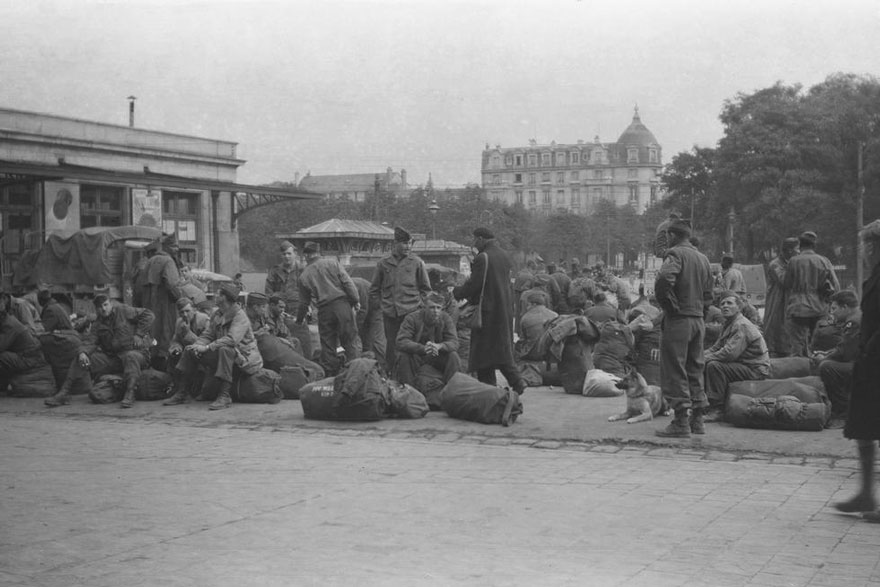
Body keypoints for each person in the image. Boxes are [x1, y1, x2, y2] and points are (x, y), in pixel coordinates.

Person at [835, 219, 880, 522]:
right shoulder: (874, 277)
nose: (863, 250)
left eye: (866, 244)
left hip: (876, 358)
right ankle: (866, 493)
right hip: (870, 361)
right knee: (865, 426)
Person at [653, 218, 713, 438]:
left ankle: (680, 422)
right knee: (695, 368)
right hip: (698, 320)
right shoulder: (703, 259)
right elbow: (709, 294)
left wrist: (670, 306)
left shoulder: (675, 254)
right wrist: (701, 314)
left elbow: (663, 280)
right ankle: (697, 420)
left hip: (679, 320)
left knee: (674, 369)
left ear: (671, 236)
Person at [44, 295, 154, 408]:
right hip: (115, 359)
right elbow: (90, 342)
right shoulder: (97, 325)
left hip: (138, 355)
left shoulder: (123, 311)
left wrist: (139, 334)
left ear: (110, 304)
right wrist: (83, 353)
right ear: (96, 309)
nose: (104, 309)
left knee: (130, 356)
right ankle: (64, 393)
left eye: (106, 305)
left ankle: (130, 393)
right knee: (81, 358)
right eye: (100, 307)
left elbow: (149, 315)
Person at [164, 283, 261, 410]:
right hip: (230, 357)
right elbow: (208, 334)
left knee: (225, 349)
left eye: (219, 294)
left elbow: (232, 339)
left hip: (246, 358)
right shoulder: (218, 314)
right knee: (190, 350)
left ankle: (225, 396)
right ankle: (182, 393)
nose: (216, 296)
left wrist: (207, 347)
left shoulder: (240, 315)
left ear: (225, 298)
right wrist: (197, 345)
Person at [453, 227, 526, 394]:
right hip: (504, 310)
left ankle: (490, 391)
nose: (474, 244)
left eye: (475, 240)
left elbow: (474, 285)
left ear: (481, 239)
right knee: (501, 349)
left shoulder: (482, 258)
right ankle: (517, 382)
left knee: (483, 354)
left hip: (487, 313)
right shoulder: (504, 255)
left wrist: (458, 292)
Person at [369, 226, 431, 377]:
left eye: (410, 244)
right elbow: (374, 290)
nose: (407, 247)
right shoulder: (383, 264)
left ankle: (413, 376)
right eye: (404, 243)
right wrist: (381, 306)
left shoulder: (416, 262)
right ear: (395, 244)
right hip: (391, 314)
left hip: (411, 312)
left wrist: (422, 308)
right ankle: (392, 376)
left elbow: (426, 289)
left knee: (412, 345)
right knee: (391, 346)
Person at [702, 291, 771, 421]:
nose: (725, 306)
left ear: (739, 307)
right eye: (722, 304)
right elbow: (716, 348)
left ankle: (717, 409)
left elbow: (729, 354)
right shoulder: (729, 323)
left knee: (714, 366)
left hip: (755, 369)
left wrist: (704, 359)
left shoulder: (741, 324)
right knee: (706, 362)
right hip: (744, 365)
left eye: (729, 303)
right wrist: (699, 357)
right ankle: (705, 404)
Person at [296, 241, 360, 376]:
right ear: (319, 253)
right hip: (342, 306)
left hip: (324, 311)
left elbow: (303, 304)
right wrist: (355, 301)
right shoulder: (333, 263)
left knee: (328, 347)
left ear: (306, 256)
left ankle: (330, 377)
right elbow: (348, 284)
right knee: (350, 343)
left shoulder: (303, 276)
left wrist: (299, 320)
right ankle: (355, 375)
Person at [784, 231, 839, 357]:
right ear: (814, 246)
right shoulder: (824, 261)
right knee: (819, 344)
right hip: (819, 308)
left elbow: (787, 284)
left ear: (800, 246)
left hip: (798, 308)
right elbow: (836, 286)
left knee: (797, 345)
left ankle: (799, 370)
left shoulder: (793, 261)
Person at [396, 291, 461, 390]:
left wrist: (440, 346)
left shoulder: (446, 318)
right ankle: (409, 392)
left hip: (437, 356)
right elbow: (401, 341)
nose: (435, 311)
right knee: (403, 356)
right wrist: (423, 348)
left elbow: (454, 342)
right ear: (424, 307)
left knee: (453, 356)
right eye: (432, 307)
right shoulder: (412, 318)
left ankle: (452, 391)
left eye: (438, 308)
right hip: (416, 356)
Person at [814, 290, 860, 428]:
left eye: (834, 308)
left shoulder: (854, 322)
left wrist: (824, 358)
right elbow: (847, 348)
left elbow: (845, 353)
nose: (832, 312)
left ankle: (842, 415)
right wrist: (828, 353)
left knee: (827, 368)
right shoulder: (861, 316)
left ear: (845, 307)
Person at [139, 234, 183, 368]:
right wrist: (180, 298)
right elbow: (173, 286)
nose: (176, 249)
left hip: (149, 308)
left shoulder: (149, 262)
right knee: (167, 335)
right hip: (165, 308)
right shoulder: (168, 261)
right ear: (167, 247)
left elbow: (138, 288)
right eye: (174, 246)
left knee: (152, 338)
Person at [265, 240, 312, 360]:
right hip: (280, 310)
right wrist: (273, 308)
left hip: (299, 309)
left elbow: (311, 289)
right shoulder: (274, 271)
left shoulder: (303, 269)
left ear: (295, 254)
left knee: (303, 337)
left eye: (289, 253)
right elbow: (268, 292)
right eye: (284, 254)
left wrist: (309, 306)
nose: (286, 256)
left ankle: (307, 362)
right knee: (284, 338)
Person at [0, 292, 49, 390]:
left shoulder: (19, 309)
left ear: (4, 298)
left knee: (2, 356)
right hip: (23, 349)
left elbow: (31, 330)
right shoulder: (8, 319)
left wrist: (17, 336)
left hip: (29, 355)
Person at [764, 238, 799, 357]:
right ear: (789, 250)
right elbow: (784, 281)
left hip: (790, 304)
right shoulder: (775, 264)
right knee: (777, 331)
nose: (799, 252)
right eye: (797, 249)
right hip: (777, 305)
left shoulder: (790, 262)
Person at [166, 297, 209, 372]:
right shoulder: (179, 322)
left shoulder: (204, 320)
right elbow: (176, 339)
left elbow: (205, 343)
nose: (185, 315)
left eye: (187, 311)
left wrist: (188, 333)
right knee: (173, 356)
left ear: (194, 310)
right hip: (186, 353)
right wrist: (176, 347)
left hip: (201, 353)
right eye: (181, 312)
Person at [351, 276, 385, 363]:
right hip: (367, 310)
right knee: (365, 340)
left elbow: (362, 311)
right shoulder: (341, 290)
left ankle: (383, 368)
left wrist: (355, 329)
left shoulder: (357, 285)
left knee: (377, 340)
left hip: (376, 309)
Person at [516, 290, 558, 360]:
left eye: (528, 305)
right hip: (551, 354)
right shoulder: (555, 315)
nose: (527, 308)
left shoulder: (526, 318)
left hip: (533, 354)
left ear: (534, 304)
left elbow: (523, 340)